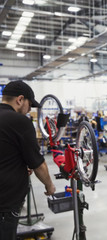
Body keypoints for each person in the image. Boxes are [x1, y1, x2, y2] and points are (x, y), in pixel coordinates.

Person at [0, 81, 56, 240]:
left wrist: (17, 166)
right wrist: (49, 186)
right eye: (29, 104)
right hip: (4, 204)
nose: (29, 109)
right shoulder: (20, 121)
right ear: (20, 99)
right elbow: (38, 164)